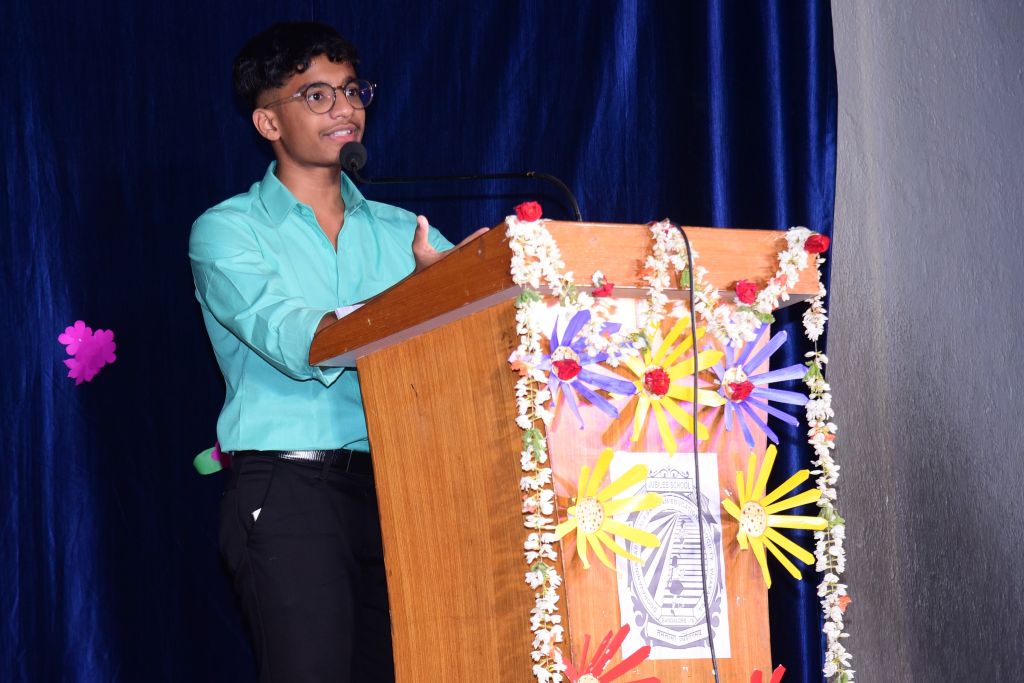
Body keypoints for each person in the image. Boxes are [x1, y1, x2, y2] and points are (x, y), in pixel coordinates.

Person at [189, 21, 480, 683]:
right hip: (290, 488)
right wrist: (423, 299)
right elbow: (301, 338)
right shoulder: (227, 230)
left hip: (407, 489)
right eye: (316, 95)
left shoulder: (407, 232)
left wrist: (478, 288)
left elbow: (475, 344)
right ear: (268, 121)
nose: (344, 108)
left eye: (352, 91)